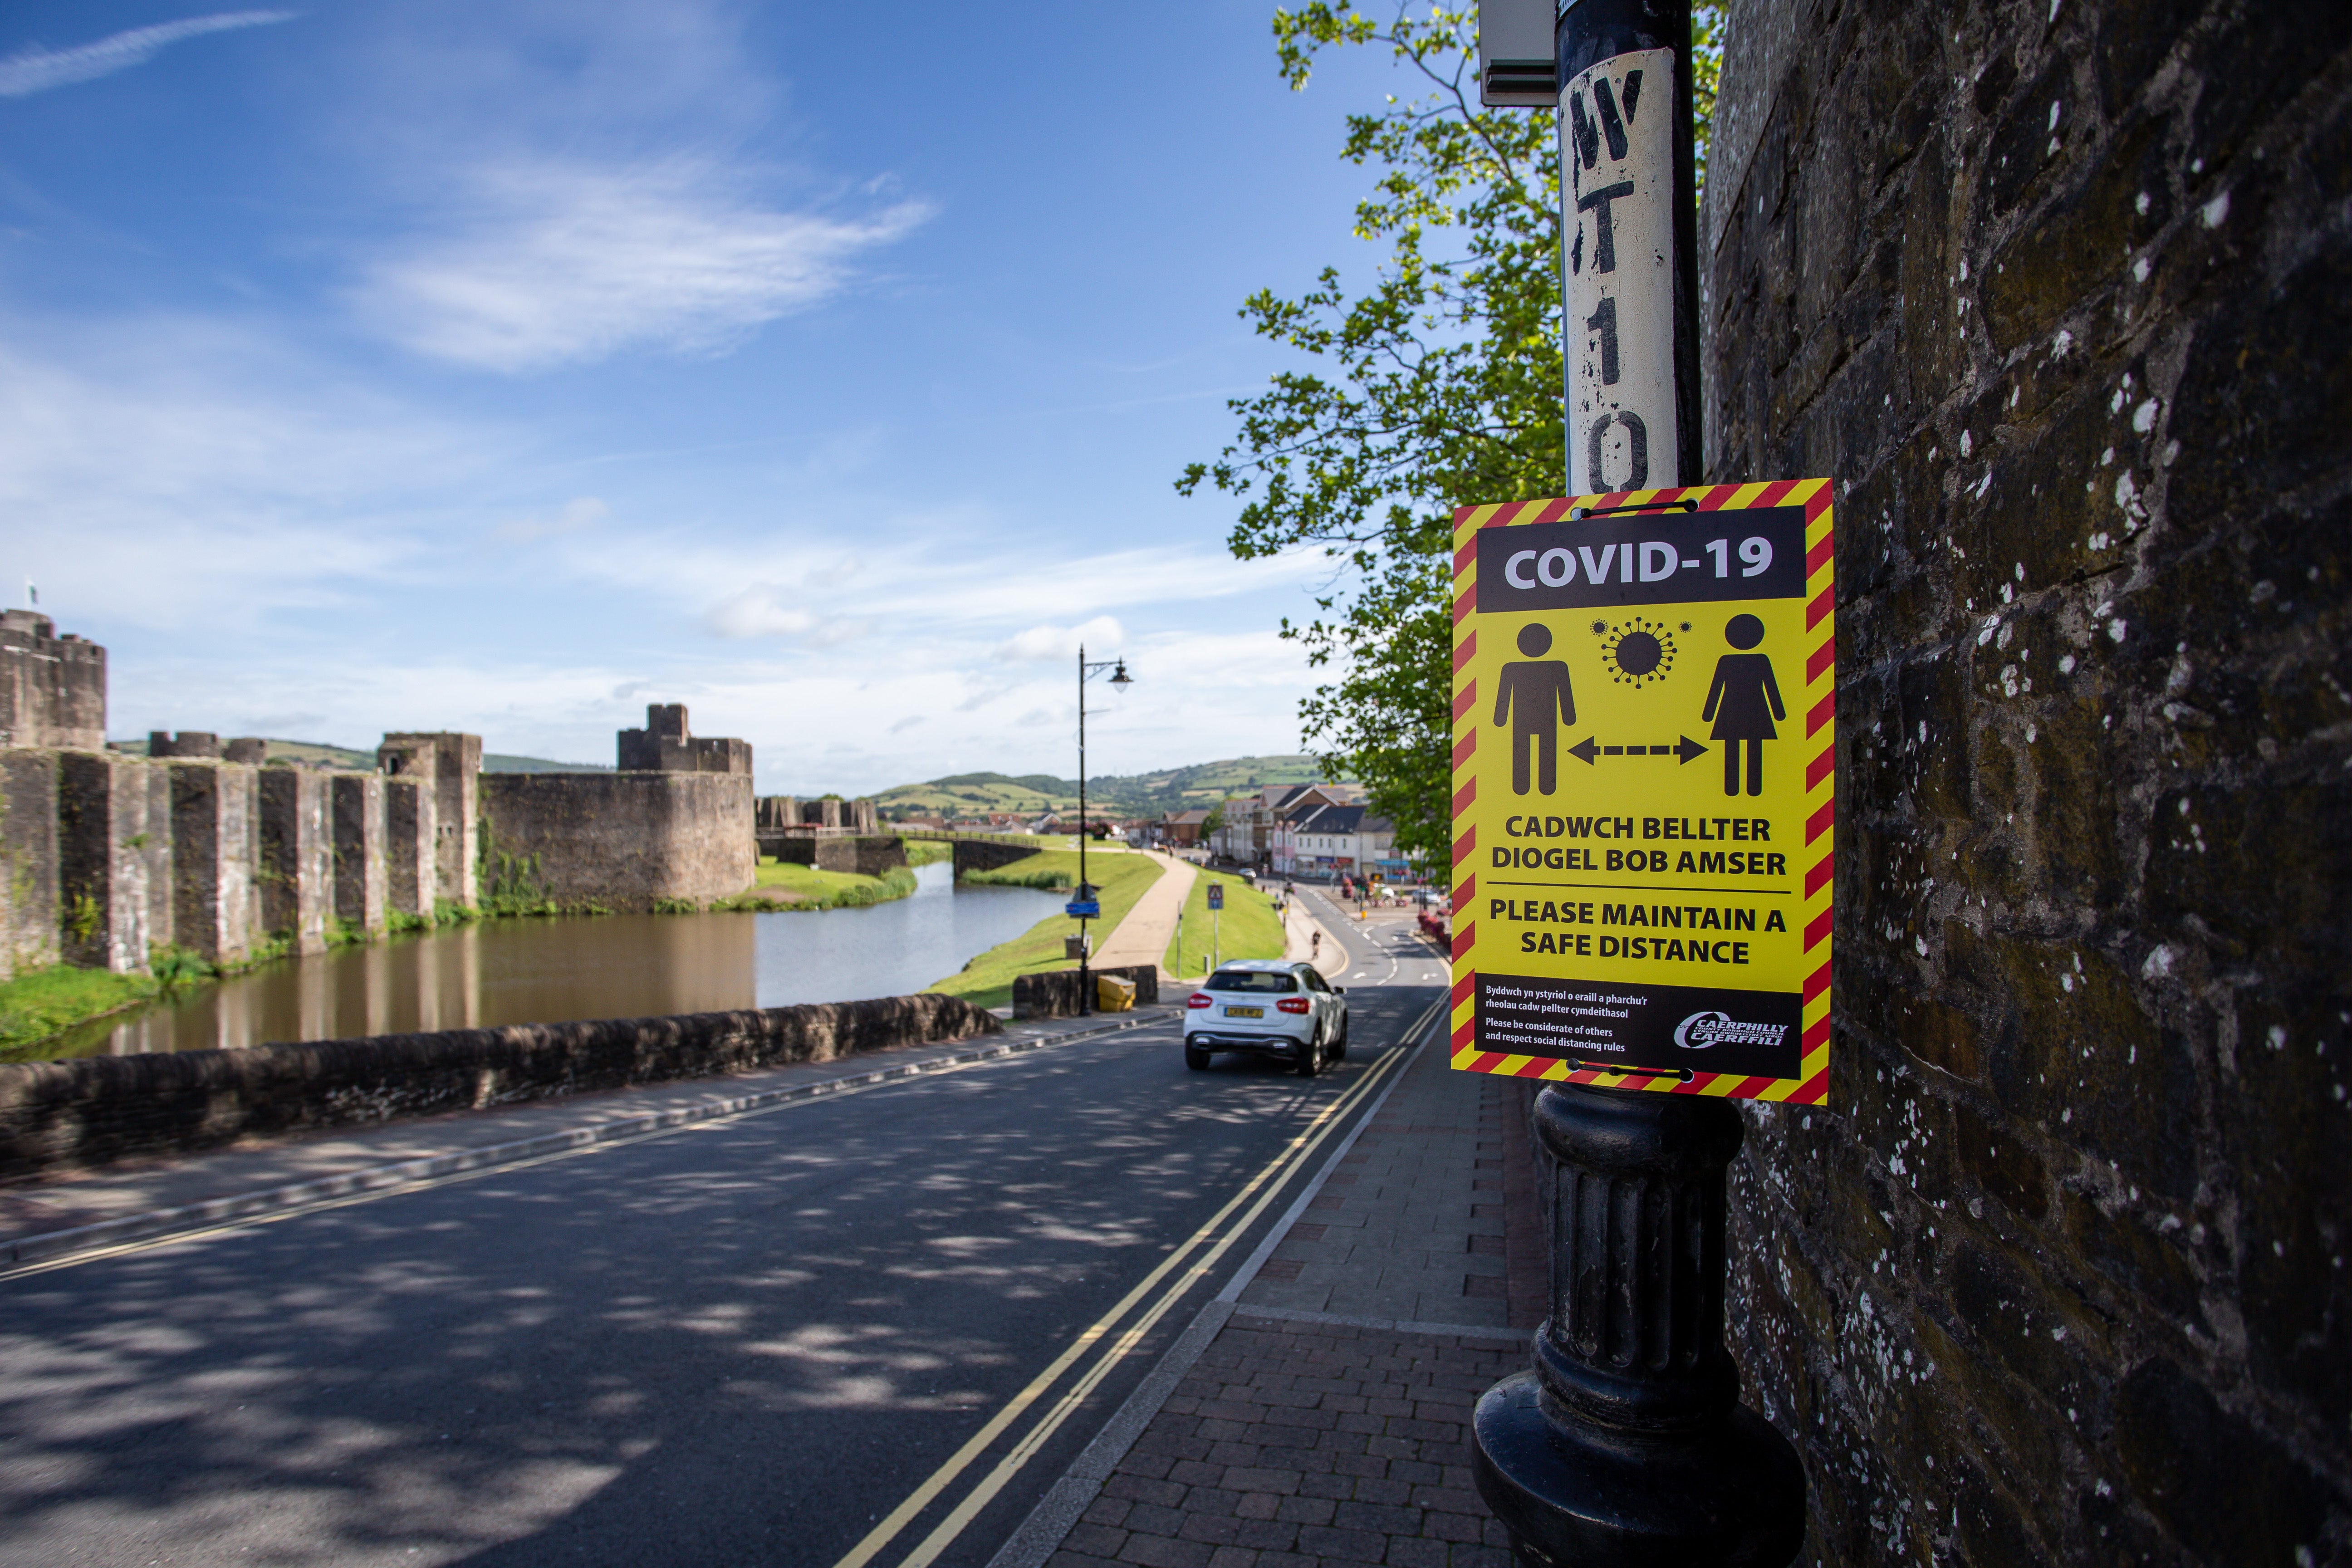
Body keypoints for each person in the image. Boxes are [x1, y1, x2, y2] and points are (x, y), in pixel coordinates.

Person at [1701, 612, 1786, 796]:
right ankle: (1747, 789)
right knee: (1749, 746)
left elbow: (1717, 688)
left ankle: (1737, 789)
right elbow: (1770, 687)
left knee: (1738, 747)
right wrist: (1778, 713)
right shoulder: (1758, 660)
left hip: (1733, 710)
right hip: (1754, 710)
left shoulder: (1729, 661)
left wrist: (1708, 714)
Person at [1491, 622, 1577, 796]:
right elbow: (1504, 695)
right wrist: (1569, 718)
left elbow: (1565, 693)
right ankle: (1529, 787)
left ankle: (1540, 787)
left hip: (1533, 720)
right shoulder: (1556, 667)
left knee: (1540, 751)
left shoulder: (1514, 668)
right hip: (1536, 720)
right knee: (1527, 751)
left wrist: (1500, 719)